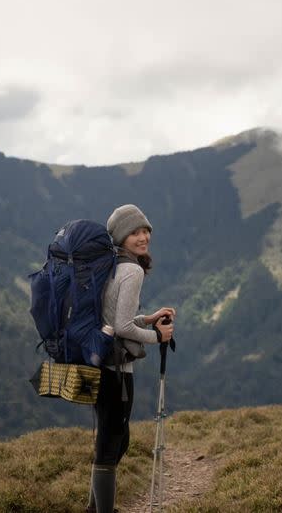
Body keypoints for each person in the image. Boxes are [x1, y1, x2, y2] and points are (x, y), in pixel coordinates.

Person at [86, 204, 175, 513]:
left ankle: (93, 509)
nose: (143, 236)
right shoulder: (132, 270)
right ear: (121, 237)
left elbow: (116, 318)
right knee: (112, 444)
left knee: (112, 441)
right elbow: (122, 327)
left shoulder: (109, 266)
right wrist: (158, 336)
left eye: (145, 230)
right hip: (116, 370)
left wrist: (148, 319)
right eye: (135, 232)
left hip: (98, 362)